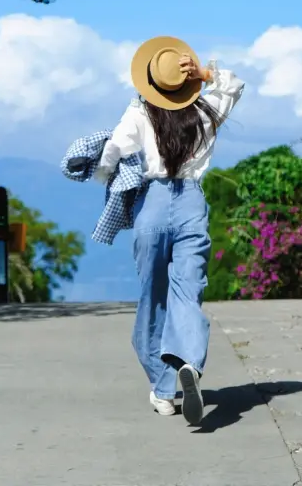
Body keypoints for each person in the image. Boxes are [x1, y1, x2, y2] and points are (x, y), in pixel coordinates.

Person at [93, 36, 244, 426]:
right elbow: (232, 85)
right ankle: (189, 361)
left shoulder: (139, 112)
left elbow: (113, 151)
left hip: (152, 205)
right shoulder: (207, 110)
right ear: (186, 83)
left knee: (153, 295)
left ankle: (163, 390)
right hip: (192, 203)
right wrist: (207, 73)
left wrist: (103, 177)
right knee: (187, 292)